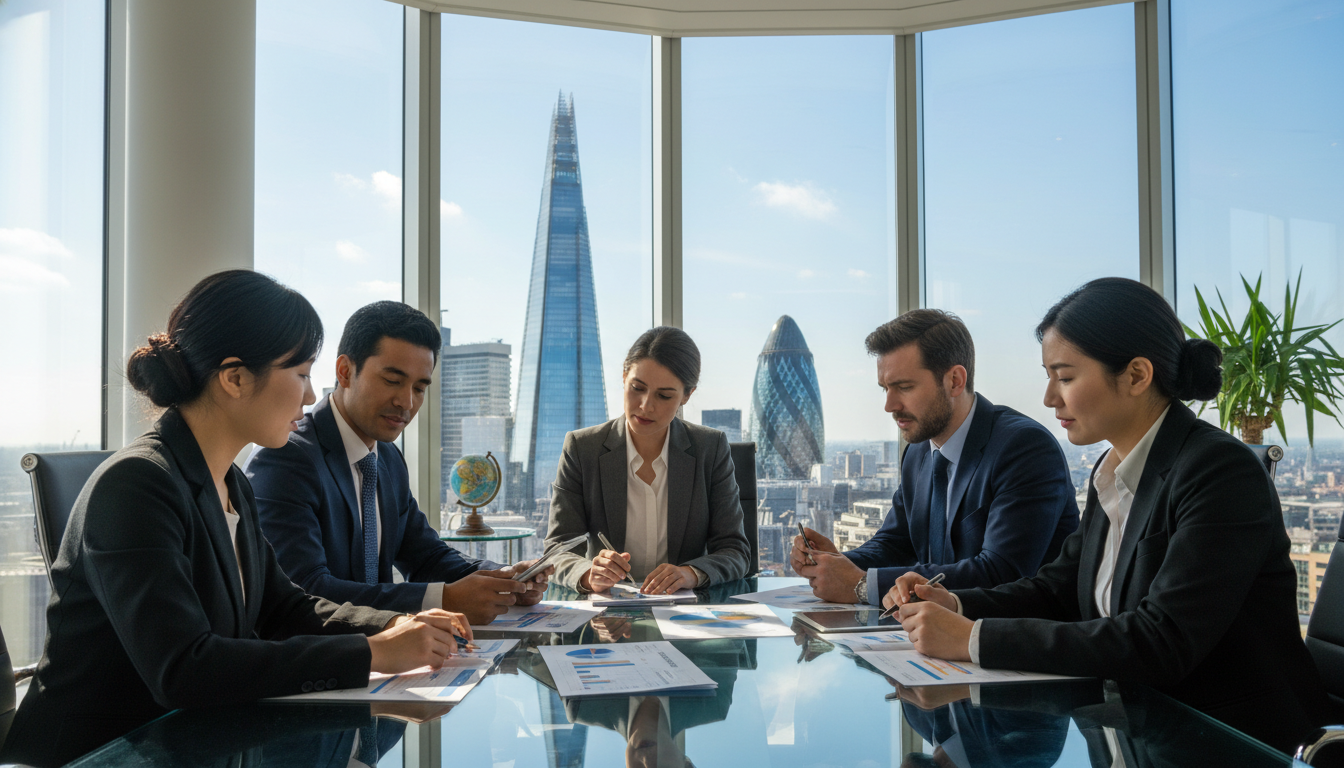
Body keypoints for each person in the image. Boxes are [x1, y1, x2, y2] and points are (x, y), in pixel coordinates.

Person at [1, 271, 472, 768]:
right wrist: (373, 652)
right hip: (100, 755)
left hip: (195, 747)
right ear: (235, 378)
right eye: (301, 374)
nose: (311, 397)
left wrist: (397, 624)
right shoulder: (137, 484)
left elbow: (283, 607)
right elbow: (185, 668)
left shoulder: (230, 483)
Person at [885, 277, 1330, 753]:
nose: (1049, 398)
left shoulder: (1220, 471)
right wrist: (956, 604)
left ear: (1137, 375)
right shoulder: (1113, 467)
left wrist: (975, 640)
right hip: (1133, 733)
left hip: (1230, 744)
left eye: (1066, 376)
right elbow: (1057, 590)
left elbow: (1161, 641)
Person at [246, 301, 547, 626]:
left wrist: (500, 578)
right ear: (345, 372)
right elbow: (306, 592)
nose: (407, 402)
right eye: (392, 380)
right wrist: (441, 599)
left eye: (419, 388)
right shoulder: (286, 457)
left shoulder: (387, 458)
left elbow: (424, 554)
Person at [790, 309, 1079, 605]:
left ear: (954, 381)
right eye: (885, 389)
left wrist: (863, 584)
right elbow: (896, 543)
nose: (889, 405)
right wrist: (836, 562)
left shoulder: (1024, 448)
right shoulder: (917, 452)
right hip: (933, 636)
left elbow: (1002, 572)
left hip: (1012, 640)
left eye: (904, 387)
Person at [545, 326, 751, 594]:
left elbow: (735, 551)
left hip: (685, 616)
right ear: (623, 377)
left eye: (664, 396)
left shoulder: (710, 449)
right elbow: (557, 549)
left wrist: (690, 574)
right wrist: (587, 574)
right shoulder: (582, 448)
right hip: (608, 615)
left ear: (687, 396)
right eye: (637, 388)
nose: (645, 405)